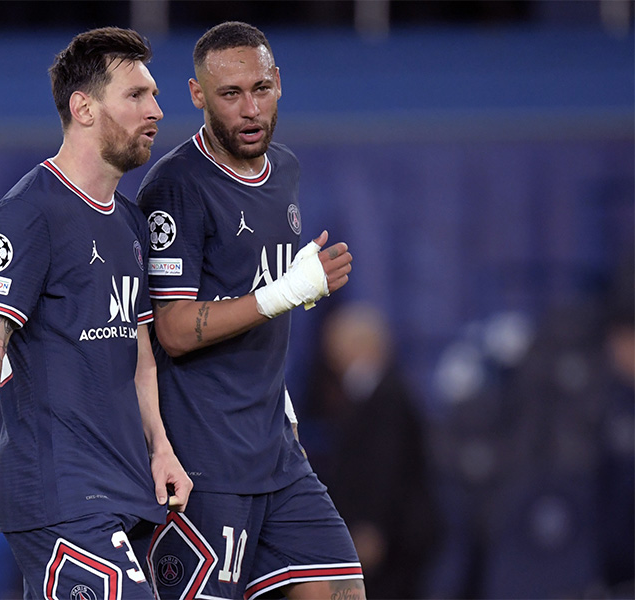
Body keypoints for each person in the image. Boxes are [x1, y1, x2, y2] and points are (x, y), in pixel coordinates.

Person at [0, 27, 192, 600]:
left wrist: (161, 448)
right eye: (136, 95)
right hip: (58, 492)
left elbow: (140, 356)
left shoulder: (129, 222)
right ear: (83, 108)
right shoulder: (28, 213)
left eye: (153, 96)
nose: (155, 110)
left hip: (125, 488)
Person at [137, 21, 364, 600]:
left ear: (278, 83)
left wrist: (280, 405)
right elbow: (174, 329)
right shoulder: (176, 187)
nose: (250, 109)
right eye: (230, 94)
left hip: (276, 452)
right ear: (197, 95)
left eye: (260, 89)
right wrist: (283, 293)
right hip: (206, 461)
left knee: (341, 587)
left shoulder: (284, 169)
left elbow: (251, 298)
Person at [304, 303, 442, 599]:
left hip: (393, 537)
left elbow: (386, 467)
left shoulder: (387, 396)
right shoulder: (366, 393)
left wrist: (371, 525)